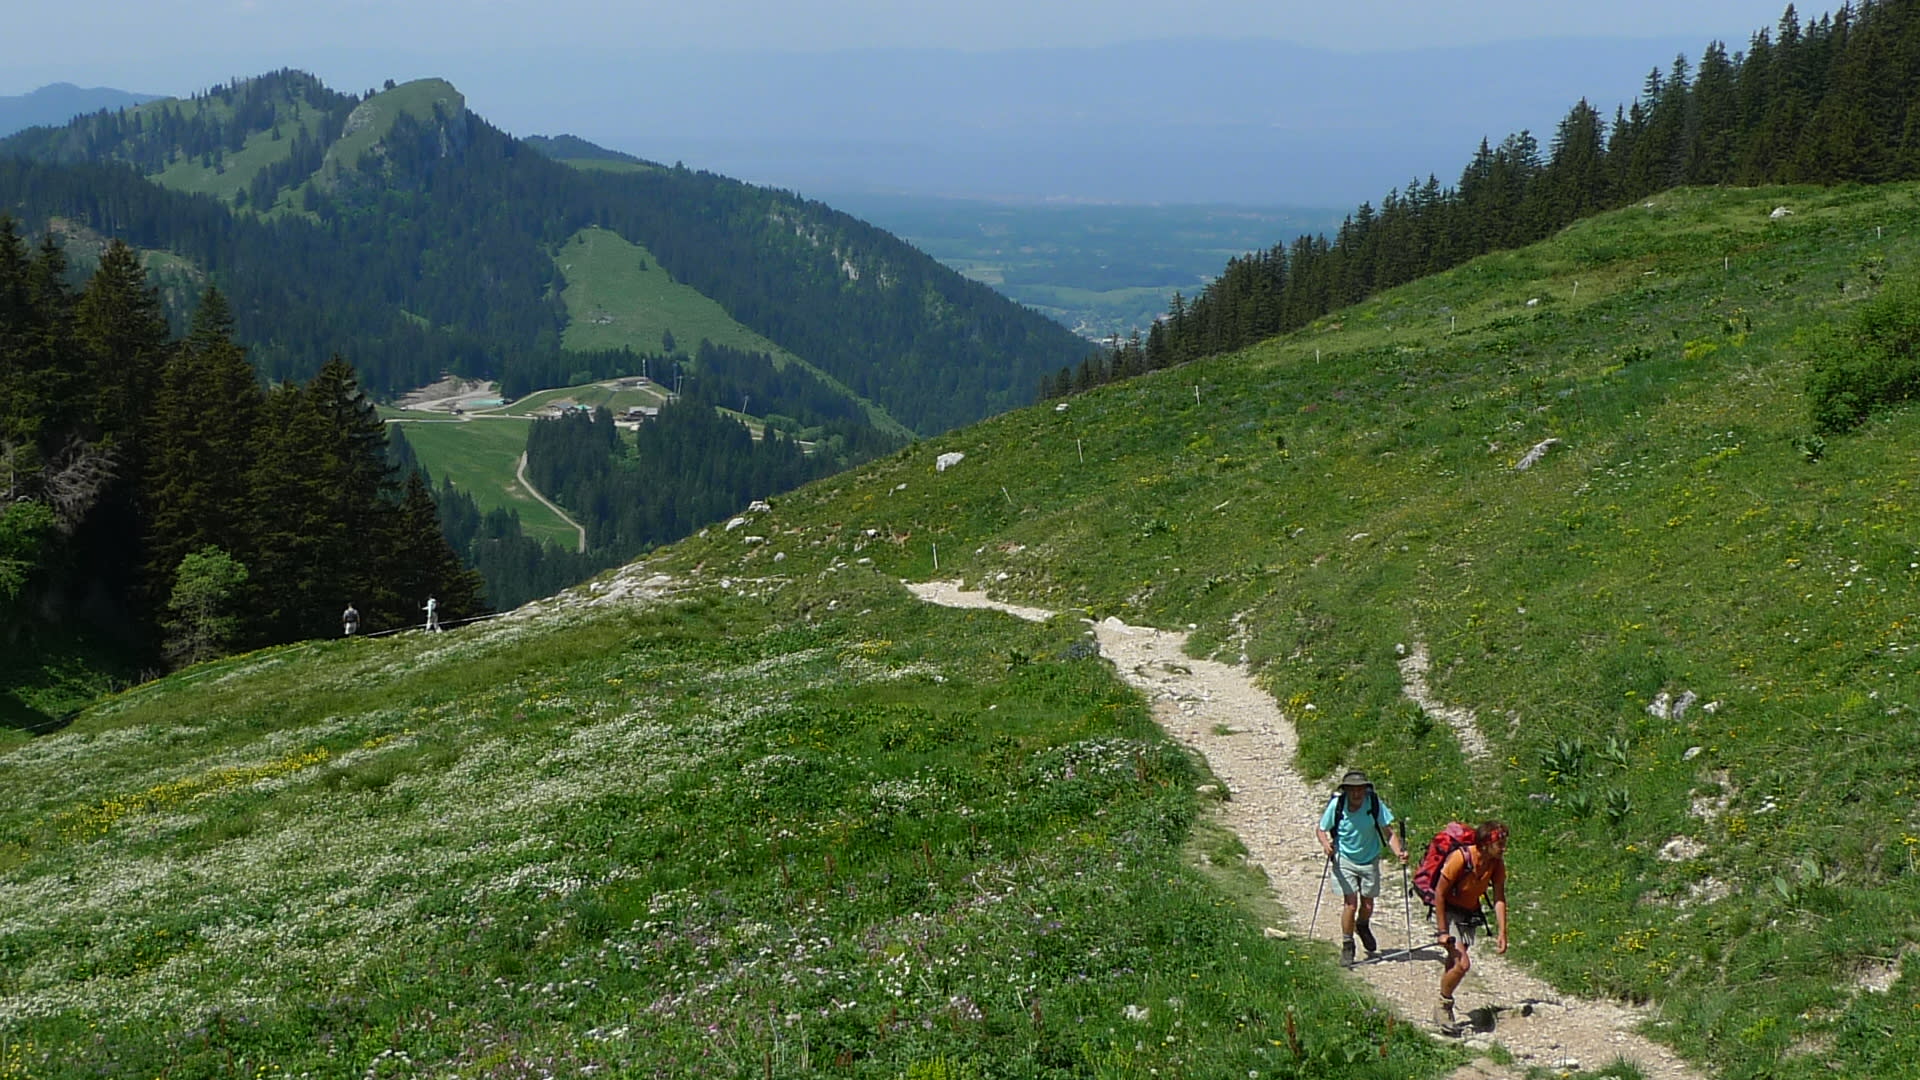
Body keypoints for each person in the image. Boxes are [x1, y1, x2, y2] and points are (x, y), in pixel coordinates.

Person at [1316, 769, 1408, 966]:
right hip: (1344, 859)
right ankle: (1347, 945)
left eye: (1360, 789)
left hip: (1370, 858)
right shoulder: (1337, 805)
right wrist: (1326, 845)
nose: (1357, 794)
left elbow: (1388, 832)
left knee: (1368, 905)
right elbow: (1321, 829)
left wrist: (1399, 852)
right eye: (1352, 790)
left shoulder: (1373, 803)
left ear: (1365, 789)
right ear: (1346, 790)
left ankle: (1362, 925)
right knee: (1350, 903)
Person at [1433, 820, 1510, 1035]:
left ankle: (1442, 1011)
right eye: (1500, 844)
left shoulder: (1495, 863)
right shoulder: (1461, 858)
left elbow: (1499, 898)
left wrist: (1503, 931)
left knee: (1454, 962)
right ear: (1486, 844)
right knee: (1462, 964)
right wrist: (1442, 931)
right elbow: (1439, 893)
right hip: (1448, 911)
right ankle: (1443, 1005)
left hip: (1469, 914)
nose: (1504, 848)